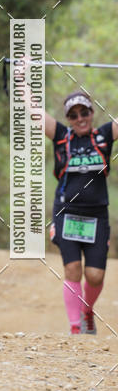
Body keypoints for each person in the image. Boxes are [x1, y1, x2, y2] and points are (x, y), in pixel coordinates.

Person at [45, 90, 117, 334]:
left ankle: (87, 311)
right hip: (66, 212)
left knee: (95, 276)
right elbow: (34, 113)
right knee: (72, 269)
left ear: (92, 113)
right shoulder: (62, 137)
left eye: (84, 112)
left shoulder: (104, 136)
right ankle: (75, 328)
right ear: (68, 119)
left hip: (97, 216)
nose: (80, 118)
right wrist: (22, 78)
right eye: (73, 115)